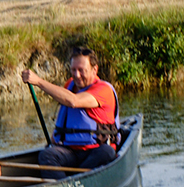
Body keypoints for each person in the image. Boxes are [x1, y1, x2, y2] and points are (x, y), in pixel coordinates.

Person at [20, 47, 118, 179]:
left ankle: (73, 182)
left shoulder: (103, 90)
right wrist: (54, 139)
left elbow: (74, 101)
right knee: (47, 155)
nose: (77, 75)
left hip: (95, 151)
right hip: (71, 152)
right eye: (73, 70)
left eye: (81, 70)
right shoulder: (70, 85)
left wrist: (38, 81)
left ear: (95, 70)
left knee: (107, 152)